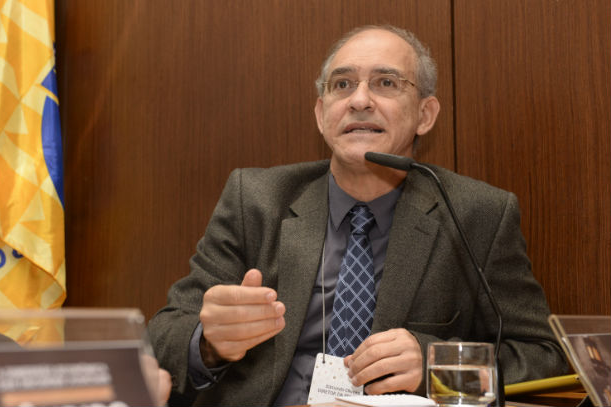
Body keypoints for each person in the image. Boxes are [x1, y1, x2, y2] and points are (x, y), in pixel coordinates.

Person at [148, 25, 568, 406]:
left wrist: (435, 366)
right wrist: (209, 343)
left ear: (425, 115)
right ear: (321, 114)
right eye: (342, 84)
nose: (360, 100)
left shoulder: (477, 214)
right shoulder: (256, 199)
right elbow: (161, 338)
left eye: (386, 83)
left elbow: (544, 358)